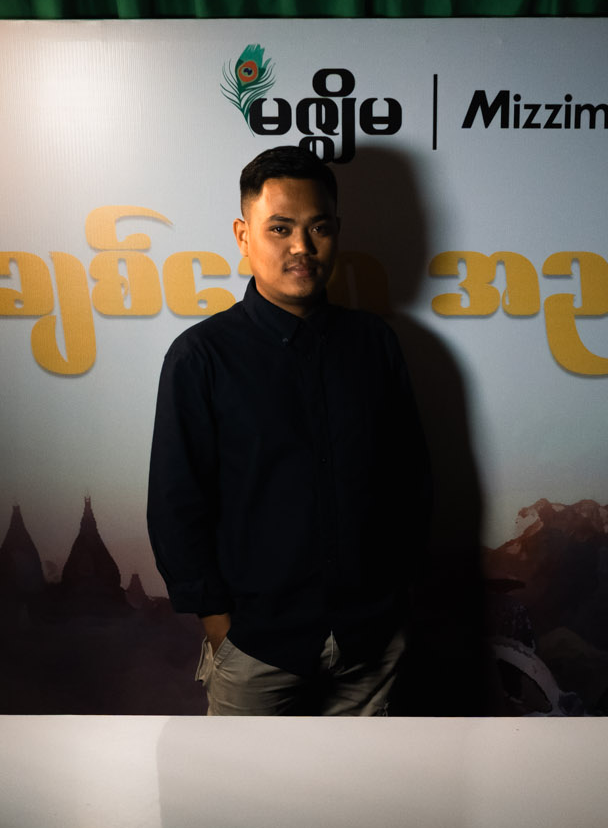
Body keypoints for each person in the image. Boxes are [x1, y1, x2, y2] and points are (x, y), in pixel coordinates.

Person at [147, 146, 432, 716]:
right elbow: (177, 504)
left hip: (370, 645)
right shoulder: (201, 357)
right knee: (239, 780)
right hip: (256, 649)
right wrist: (220, 627)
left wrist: (395, 599)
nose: (302, 246)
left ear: (337, 232)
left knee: (373, 778)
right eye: (280, 228)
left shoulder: (374, 344)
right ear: (243, 235)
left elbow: (410, 479)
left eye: (318, 228)